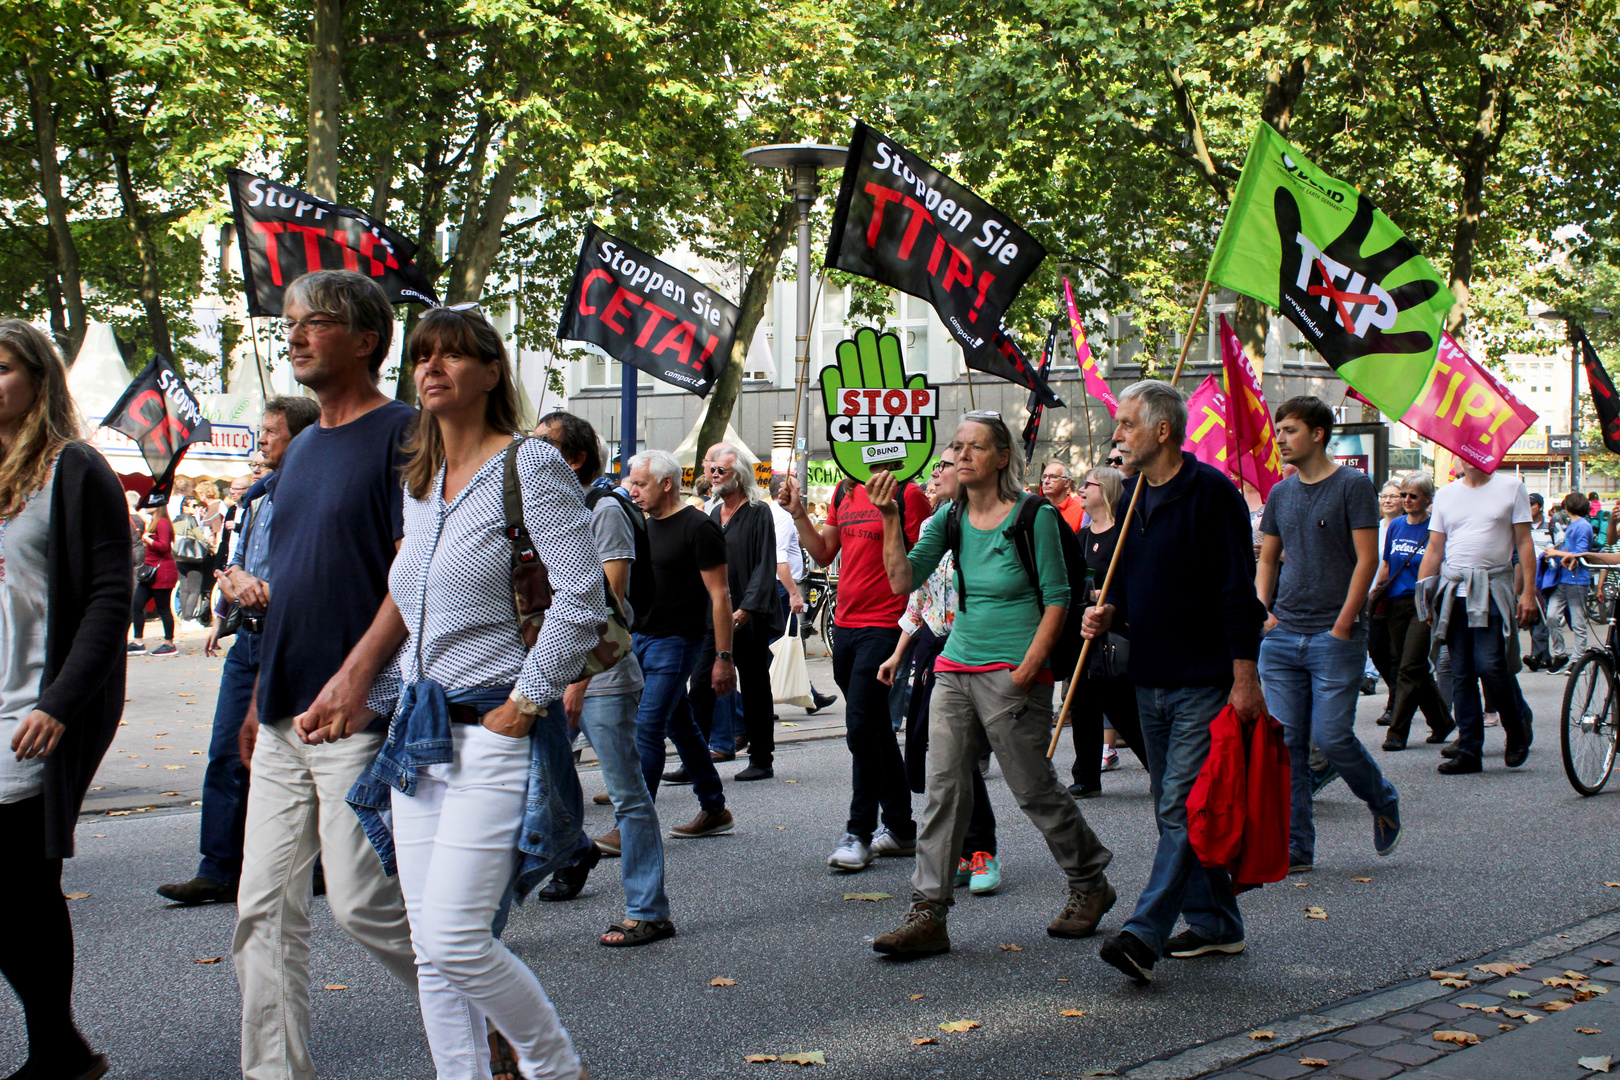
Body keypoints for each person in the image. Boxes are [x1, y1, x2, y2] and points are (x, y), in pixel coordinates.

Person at [300, 306, 604, 1078]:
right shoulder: (421, 484)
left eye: (454, 356)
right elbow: (418, 610)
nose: (432, 368)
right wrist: (372, 698)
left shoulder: (527, 466)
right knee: (429, 946)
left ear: (492, 373)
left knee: (456, 938)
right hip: (423, 734)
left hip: (493, 728)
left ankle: (555, 1065)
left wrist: (526, 702)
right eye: (423, 356)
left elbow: (581, 597)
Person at [230, 270, 420, 1080]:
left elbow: (416, 573)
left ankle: (492, 1010)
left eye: (315, 323)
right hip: (282, 711)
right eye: (291, 323)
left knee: (362, 902)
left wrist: (355, 676)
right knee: (262, 912)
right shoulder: (301, 448)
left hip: (359, 713)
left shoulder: (408, 435)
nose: (295, 335)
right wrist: (255, 697)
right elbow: (293, 581)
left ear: (367, 341)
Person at [867, 413, 1114, 956]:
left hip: (1013, 671)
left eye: (974, 447)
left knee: (1032, 788)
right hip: (957, 666)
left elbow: (1058, 597)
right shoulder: (948, 518)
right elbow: (901, 581)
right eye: (956, 447)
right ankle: (928, 912)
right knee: (943, 789)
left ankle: (1090, 880)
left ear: (1001, 457)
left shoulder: (1034, 516)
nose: (961, 456)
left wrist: (1029, 668)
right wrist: (889, 517)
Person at [1085, 381, 1268, 983]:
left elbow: (1237, 594)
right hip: (1149, 679)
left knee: (1181, 808)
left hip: (1203, 680)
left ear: (1162, 430)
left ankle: (1143, 933)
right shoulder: (1135, 494)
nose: (1119, 435)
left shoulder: (1212, 493)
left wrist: (1245, 679)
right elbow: (1138, 586)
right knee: (1182, 811)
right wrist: (1110, 612)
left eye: (1128, 424)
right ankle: (1217, 924)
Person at [0, 319, 129, 1080]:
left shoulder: (73, 470)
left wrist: (60, 702)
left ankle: (56, 1047)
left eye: (5, 369)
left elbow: (110, 600)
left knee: (20, 885)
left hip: (31, 710)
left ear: (39, 380)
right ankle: (63, 1046)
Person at [156, 395, 320, 906]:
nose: (262, 440)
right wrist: (231, 592)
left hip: (296, 639)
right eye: (261, 430)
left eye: (273, 431)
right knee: (227, 751)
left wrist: (271, 588)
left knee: (306, 754)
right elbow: (233, 567)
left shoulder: (316, 494)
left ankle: (321, 861)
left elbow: (322, 571)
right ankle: (220, 867)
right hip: (249, 640)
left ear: (303, 437)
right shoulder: (256, 499)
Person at [529, 412, 673, 945]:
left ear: (573, 459)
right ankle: (574, 853)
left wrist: (576, 683)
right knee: (534, 786)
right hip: (551, 670)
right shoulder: (547, 511)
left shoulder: (604, 508)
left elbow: (604, 604)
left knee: (626, 793)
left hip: (600, 676)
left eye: (542, 446)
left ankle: (648, 908)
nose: (529, 455)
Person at [1255, 397, 1401, 876]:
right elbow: (1268, 559)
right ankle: (1298, 848)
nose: (1280, 438)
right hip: (1282, 636)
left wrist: (1343, 623)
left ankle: (1381, 799)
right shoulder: (1280, 493)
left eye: (1290, 430)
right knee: (1287, 743)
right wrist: (1264, 613)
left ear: (1318, 434)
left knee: (1332, 738)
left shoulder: (1353, 486)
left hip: (1333, 637)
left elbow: (1366, 559)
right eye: (1279, 430)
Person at [780, 461, 930, 872]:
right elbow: (826, 551)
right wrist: (797, 514)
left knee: (862, 728)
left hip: (885, 625)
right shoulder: (845, 491)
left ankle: (859, 832)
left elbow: (922, 565)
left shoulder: (908, 493)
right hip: (844, 625)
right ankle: (901, 829)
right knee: (876, 728)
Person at [876, 446, 1004, 895]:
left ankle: (980, 848)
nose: (939, 472)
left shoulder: (1002, 517)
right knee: (940, 753)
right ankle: (959, 856)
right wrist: (898, 653)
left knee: (971, 756)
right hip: (936, 647)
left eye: (946, 465)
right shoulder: (935, 524)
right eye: (941, 465)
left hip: (982, 646)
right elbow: (917, 593)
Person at [623, 448, 737, 839]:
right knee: (680, 725)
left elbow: (721, 595)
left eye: (640, 483)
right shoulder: (639, 525)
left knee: (648, 727)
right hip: (640, 637)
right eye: (631, 483)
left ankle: (633, 827)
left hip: (678, 642)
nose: (632, 491)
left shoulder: (697, 527)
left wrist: (724, 657)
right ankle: (715, 807)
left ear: (666, 484)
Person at [1416, 460, 1537, 775]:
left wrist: (1527, 593)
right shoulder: (1446, 494)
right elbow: (1434, 549)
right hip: (1452, 591)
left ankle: (1516, 727)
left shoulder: (1511, 487)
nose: (1466, 458)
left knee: (1491, 665)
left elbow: (1524, 543)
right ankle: (1470, 748)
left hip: (1493, 586)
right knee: (1461, 672)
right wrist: (1424, 595)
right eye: (1459, 452)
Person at [689, 446, 783, 780]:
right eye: (712, 469)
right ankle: (694, 759)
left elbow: (764, 565)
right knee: (701, 683)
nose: (713, 475)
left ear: (739, 475)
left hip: (749, 615)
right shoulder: (713, 515)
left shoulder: (759, 512)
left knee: (755, 684)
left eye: (721, 470)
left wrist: (745, 610)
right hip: (717, 615)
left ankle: (762, 758)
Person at [1068, 465, 1144, 796]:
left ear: (1107, 490)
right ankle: (1085, 776)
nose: (1081, 490)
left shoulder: (1125, 534)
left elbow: (1134, 581)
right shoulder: (1080, 538)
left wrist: (1109, 596)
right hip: (1084, 632)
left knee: (1121, 704)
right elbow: (1071, 581)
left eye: (1089, 484)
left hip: (1116, 632)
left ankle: (1158, 764)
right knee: (1082, 702)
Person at [1374, 471, 1452, 750]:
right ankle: (1443, 722)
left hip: (1423, 603)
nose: (1406, 499)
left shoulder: (1435, 527)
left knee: (1408, 667)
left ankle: (1397, 733)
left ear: (1428, 499)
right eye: (1403, 494)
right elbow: (1386, 563)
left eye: (1413, 495)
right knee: (1414, 667)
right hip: (1395, 603)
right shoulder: (1395, 526)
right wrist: (1376, 592)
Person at [1543, 492, 1595, 664]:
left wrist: (1555, 553)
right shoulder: (1573, 525)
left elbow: (1580, 553)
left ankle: (1578, 660)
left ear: (1568, 506)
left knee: (1578, 621)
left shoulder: (1582, 526)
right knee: (1551, 616)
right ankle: (1561, 654)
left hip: (1577, 580)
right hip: (1564, 578)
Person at [129, 503, 178, 657]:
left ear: (158, 506)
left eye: (149, 504)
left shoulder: (162, 522)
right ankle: (138, 642)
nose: (145, 506)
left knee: (163, 608)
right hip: (151, 571)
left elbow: (164, 546)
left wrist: (147, 540)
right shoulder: (154, 521)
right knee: (137, 604)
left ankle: (169, 643)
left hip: (162, 571)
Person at [1523, 492, 1558, 670]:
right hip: (1528, 575)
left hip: (1546, 576)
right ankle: (1543, 656)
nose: (1528, 508)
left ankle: (1539, 655)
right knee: (1534, 616)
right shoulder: (1522, 526)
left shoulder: (1551, 525)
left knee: (1542, 616)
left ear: (1540, 507)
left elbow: (1561, 544)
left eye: (1532, 504)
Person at [171, 494, 215, 624]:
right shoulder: (191, 519)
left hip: (179, 557)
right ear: (185, 507)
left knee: (184, 589)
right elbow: (200, 537)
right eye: (194, 505)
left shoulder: (175, 520)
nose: (196, 508)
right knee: (195, 589)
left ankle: (184, 617)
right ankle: (189, 619)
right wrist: (211, 547)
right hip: (192, 557)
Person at [1041, 461, 1086, 533]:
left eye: (1053, 477)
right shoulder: (1039, 510)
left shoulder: (1081, 511)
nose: (1046, 481)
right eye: (1044, 477)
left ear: (1067, 482)